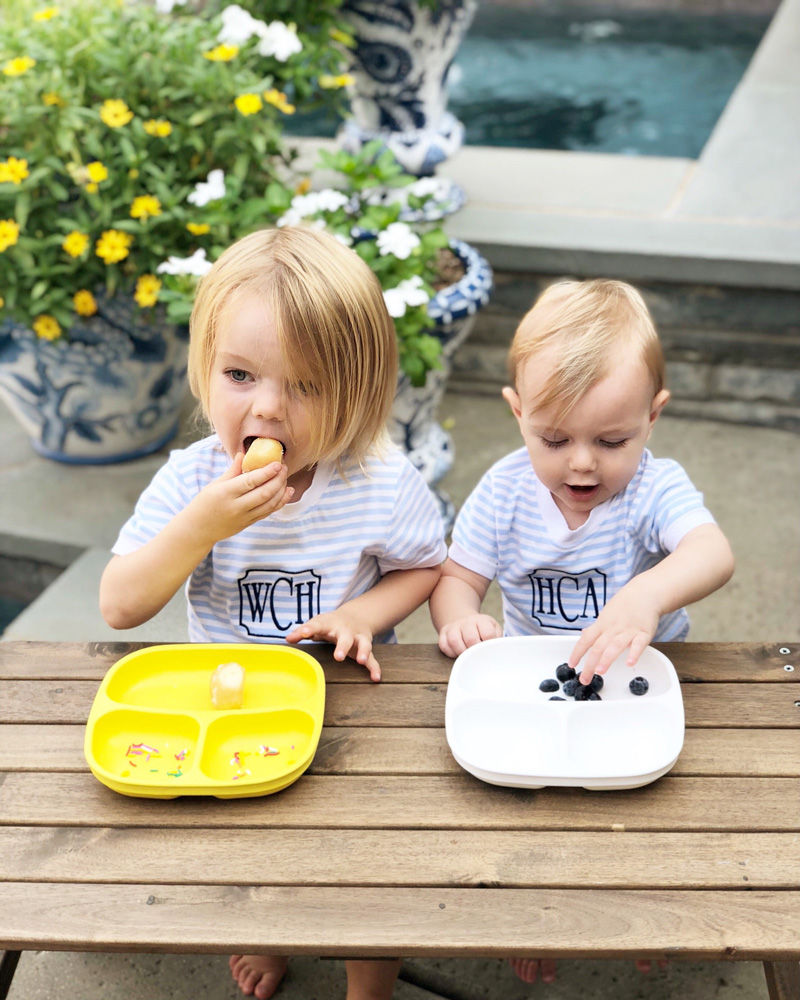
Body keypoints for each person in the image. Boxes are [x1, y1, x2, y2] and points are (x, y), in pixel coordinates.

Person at [100, 225, 446, 1000]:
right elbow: (121, 604)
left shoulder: (379, 483)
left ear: (357, 394)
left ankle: (368, 980)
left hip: (344, 710)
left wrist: (362, 612)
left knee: (367, 860)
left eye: (308, 386)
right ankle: (273, 934)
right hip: (227, 712)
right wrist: (201, 527)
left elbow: (424, 564)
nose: (269, 408)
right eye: (241, 374)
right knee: (245, 852)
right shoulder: (192, 481)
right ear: (205, 372)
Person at [429, 278, 734, 985]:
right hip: (540, 688)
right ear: (517, 414)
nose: (583, 462)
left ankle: (645, 907)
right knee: (531, 807)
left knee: (649, 805)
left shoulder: (656, 489)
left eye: (612, 438)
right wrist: (463, 624)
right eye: (554, 437)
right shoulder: (503, 491)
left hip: (644, 685)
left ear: (652, 418)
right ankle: (547, 913)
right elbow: (456, 581)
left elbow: (713, 553)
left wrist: (646, 595)